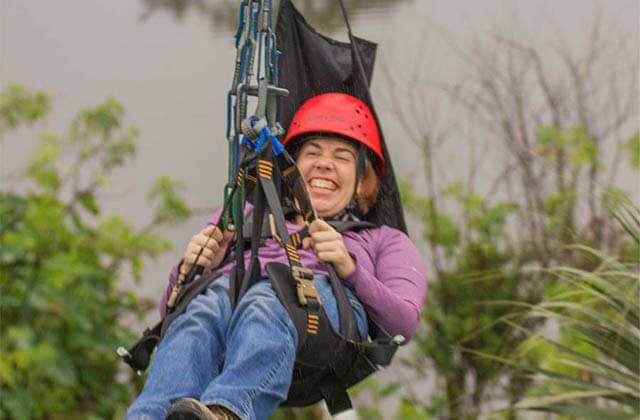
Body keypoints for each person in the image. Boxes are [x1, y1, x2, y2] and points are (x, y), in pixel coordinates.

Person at [126, 93, 427, 420]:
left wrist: (350, 268)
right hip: (237, 301)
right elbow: (171, 313)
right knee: (204, 307)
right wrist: (191, 267)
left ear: (361, 183)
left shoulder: (382, 239)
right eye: (313, 152)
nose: (324, 163)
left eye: (341, 156)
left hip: (318, 323)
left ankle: (229, 411)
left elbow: (403, 324)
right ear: (291, 169)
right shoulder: (247, 216)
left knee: (268, 297)